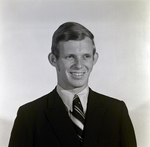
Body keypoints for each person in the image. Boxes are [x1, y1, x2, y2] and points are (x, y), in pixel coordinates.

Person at [8, 22, 137, 147]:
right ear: (53, 60)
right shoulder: (30, 116)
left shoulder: (116, 112)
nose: (79, 65)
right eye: (70, 56)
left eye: (86, 56)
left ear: (94, 59)